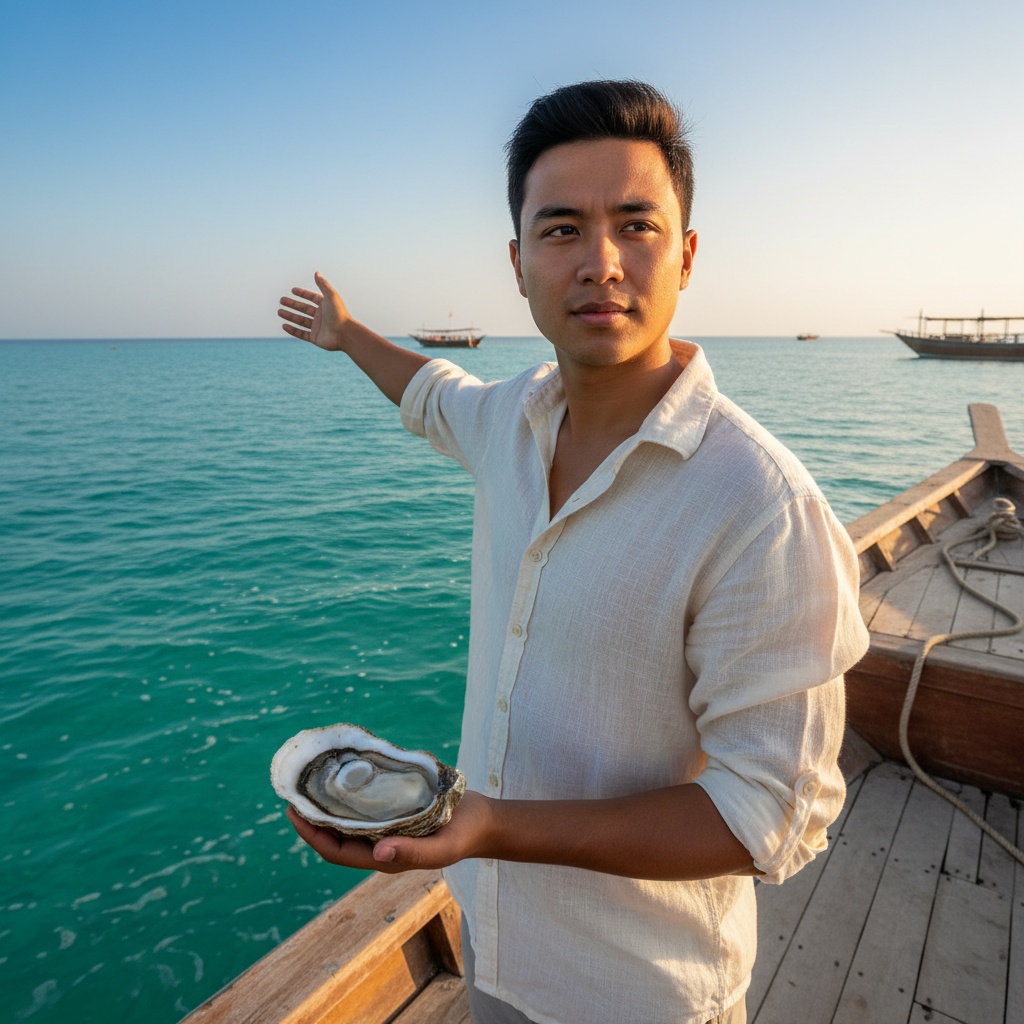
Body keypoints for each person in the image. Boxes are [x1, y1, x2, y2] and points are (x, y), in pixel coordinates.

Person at [277, 80, 869, 1024]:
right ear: (518, 263)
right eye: (561, 230)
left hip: (640, 988)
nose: (600, 262)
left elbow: (771, 810)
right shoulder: (510, 418)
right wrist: (347, 334)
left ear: (687, 252)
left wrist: (493, 827)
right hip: (499, 947)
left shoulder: (760, 505)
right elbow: (431, 392)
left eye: (636, 225)